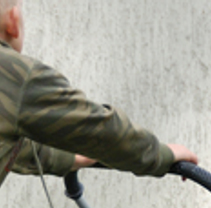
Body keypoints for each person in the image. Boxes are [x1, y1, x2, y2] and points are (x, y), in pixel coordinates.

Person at [0, 0, 198, 188]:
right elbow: (103, 130)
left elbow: (8, 144)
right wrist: (162, 155)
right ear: (13, 21)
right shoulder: (18, 75)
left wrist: (71, 158)